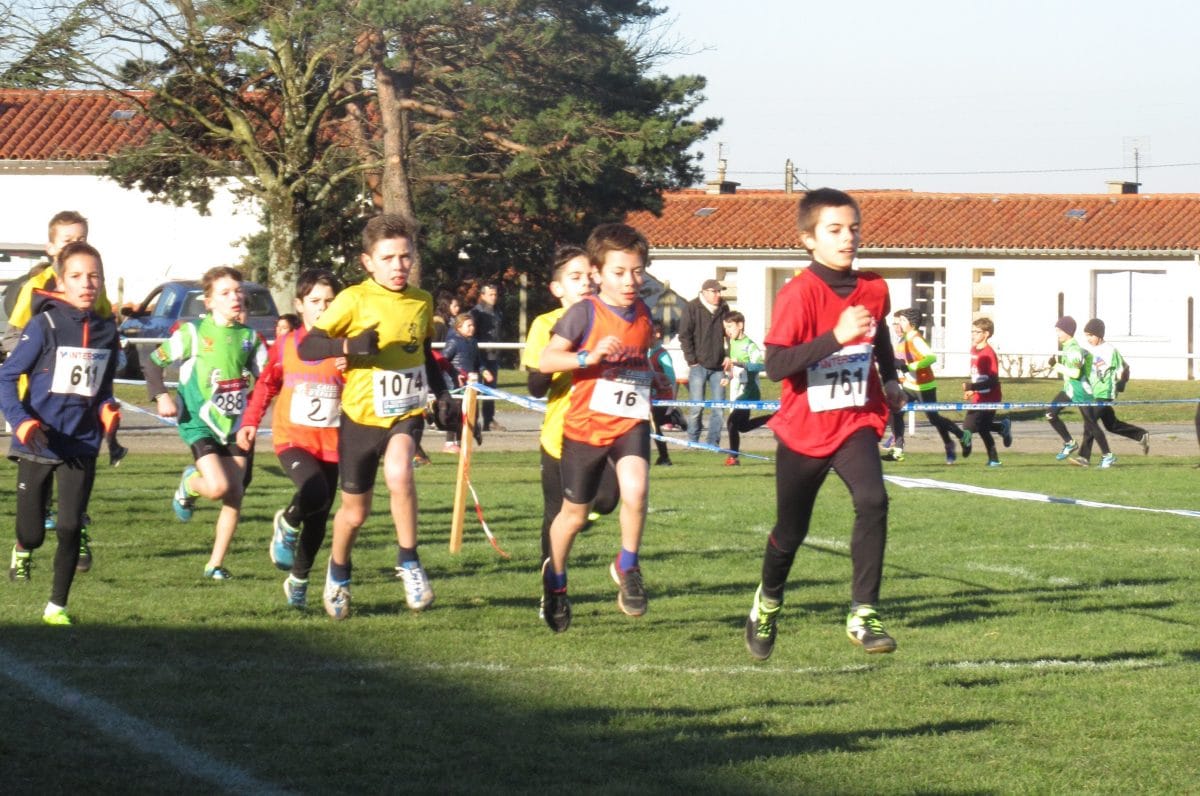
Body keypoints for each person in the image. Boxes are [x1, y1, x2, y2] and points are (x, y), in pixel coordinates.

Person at [743, 188, 904, 662]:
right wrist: (835, 336)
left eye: (853, 228)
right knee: (790, 531)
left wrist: (891, 379)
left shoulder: (874, 287)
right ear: (808, 239)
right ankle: (768, 601)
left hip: (856, 420)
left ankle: (863, 612)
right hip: (805, 430)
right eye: (834, 230)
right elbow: (776, 365)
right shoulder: (798, 294)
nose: (848, 238)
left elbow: (879, 341)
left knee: (874, 500)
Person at [297, 213, 451, 620]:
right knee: (355, 513)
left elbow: (424, 355)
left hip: (405, 411)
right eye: (388, 258)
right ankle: (338, 571)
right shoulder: (352, 299)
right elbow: (308, 347)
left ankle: (410, 561)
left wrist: (442, 393)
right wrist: (349, 345)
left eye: (405, 256)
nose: (398, 266)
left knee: (400, 473)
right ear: (368, 262)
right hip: (361, 417)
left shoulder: (421, 300)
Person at [537, 223, 655, 633]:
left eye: (638, 271)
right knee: (573, 514)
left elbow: (640, 354)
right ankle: (556, 581)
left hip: (629, 420)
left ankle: (628, 564)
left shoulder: (644, 312)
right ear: (598, 274)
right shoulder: (583, 312)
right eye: (620, 272)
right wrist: (588, 356)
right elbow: (548, 361)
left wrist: (650, 374)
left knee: (636, 489)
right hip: (585, 428)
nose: (630, 281)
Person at [1, 241, 120, 624]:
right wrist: (22, 420)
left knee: (70, 526)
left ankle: (57, 606)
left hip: (81, 444)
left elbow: (102, 389)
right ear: (61, 281)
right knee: (34, 533)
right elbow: (6, 376)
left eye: (94, 276)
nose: (87, 284)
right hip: (39, 441)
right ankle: (23, 547)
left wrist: (107, 413)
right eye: (77, 276)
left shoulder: (106, 331)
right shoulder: (44, 324)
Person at [145, 266, 266, 580]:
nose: (235, 297)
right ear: (209, 302)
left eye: (238, 291)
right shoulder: (193, 333)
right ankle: (189, 483)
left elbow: (267, 379)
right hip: (199, 421)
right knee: (217, 487)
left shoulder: (250, 338)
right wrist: (161, 396)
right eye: (225, 293)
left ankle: (215, 563)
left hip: (235, 423)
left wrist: (255, 402)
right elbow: (153, 361)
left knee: (235, 494)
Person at [238, 268, 345, 608]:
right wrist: (250, 421)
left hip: (332, 442)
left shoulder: (347, 345)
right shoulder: (287, 344)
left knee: (319, 516)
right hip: (292, 439)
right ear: (300, 305)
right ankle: (287, 521)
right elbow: (267, 384)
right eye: (315, 301)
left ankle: (298, 580)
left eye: (330, 301)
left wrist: (353, 369)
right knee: (312, 490)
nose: (323, 308)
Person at [521, 244, 619, 577]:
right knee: (553, 513)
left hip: (602, 430)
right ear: (557, 288)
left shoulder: (610, 317)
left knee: (607, 498)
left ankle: (579, 514)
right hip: (559, 435)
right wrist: (565, 357)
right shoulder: (545, 323)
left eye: (590, 276)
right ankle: (550, 583)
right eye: (575, 277)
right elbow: (535, 388)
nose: (585, 283)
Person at [883, 308, 968, 464]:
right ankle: (898, 450)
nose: (899, 324)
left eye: (901, 320)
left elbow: (931, 358)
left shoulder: (915, 338)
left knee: (934, 419)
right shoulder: (903, 340)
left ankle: (960, 436)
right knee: (896, 411)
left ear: (911, 323)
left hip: (924, 387)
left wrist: (910, 367)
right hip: (909, 386)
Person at [1076, 317, 1148, 467]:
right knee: (1111, 425)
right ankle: (1140, 435)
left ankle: (1084, 457)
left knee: (1090, 421)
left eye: (1091, 335)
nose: (1088, 339)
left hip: (1105, 393)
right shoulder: (1087, 351)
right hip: (1092, 393)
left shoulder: (1110, 350)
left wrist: (1121, 384)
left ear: (1099, 335)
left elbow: (1125, 368)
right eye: (1086, 335)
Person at [678, 278, 730, 448]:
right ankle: (693, 442)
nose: (718, 295)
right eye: (715, 291)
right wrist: (691, 361)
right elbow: (684, 335)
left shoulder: (724, 308)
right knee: (696, 407)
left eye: (719, 291)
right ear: (705, 292)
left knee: (718, 408)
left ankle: (713, 443)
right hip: (698, 366)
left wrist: (728, 355)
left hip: (719, 366)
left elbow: (729, 334)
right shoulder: (692, 308)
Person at [721, 311, 774, 466]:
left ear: (740, 325)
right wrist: (728, 377)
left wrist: (740, 363)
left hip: (749, 391)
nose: (728, 331)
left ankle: (733, 457)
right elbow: (732, 367)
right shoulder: (732, 343)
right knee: (742, 427)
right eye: (726, 327)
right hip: (738, 390)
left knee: (731, 423)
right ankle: (772, 418)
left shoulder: (750, 345)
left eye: (730, 326)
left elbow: (760, 365)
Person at [961, 317, 1013, 467]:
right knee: (983, 427)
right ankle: (995, 456)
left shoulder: (989, 353)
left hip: (991, 396)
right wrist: (973, 391)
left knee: (968, 426)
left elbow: (992, 380)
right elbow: (978, 375)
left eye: (977, 332)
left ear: (986, 334)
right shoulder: (973, 350)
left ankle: (966, 449)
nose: (973, 334)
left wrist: (972, 387)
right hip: (979, 396)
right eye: (972, 331)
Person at [441, 311, 492, 453]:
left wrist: (484, 371)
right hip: (454, 385)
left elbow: (478, 362)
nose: (472, 328)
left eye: (473, 325)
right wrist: (455, 374)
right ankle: (451, 442)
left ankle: (472, 431)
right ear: (459, 327)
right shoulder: (453, 342)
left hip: (470, 384)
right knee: (454, 413)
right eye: (468, 325)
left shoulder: (473, 342)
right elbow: (443, 360)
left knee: (471, 412)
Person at [1046, 316, 1086, 460]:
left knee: (1093, 425)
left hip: (1079, 392)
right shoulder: (1067, 347)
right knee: (1050, 413)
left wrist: (1055, 365)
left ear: (1068, 331)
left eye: (1059, 331)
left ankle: (1106, 455)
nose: (1057, 334)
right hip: (1069, 391)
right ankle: (1070, 443)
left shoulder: (1074, 350)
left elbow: (1075, 373)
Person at [470, 281, 504, 431]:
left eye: (495, 294)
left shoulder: (498, 311)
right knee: (475, 389)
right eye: (491, 294)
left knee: (490, 389)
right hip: (478, 356)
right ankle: (473, 420)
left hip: (493, 356)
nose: (494, 297)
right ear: (482, 295)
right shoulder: (476, 313)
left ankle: (488, 420)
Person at [648, 320, 681, 466]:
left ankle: (664, 456)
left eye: (659, 331)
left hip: (662, 396)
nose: (658, 334)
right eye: (654, 331)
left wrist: (672, 403)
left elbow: (672, 379)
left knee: (653, 424)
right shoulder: (645, 352)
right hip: (649, 396)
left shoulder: (662, 355)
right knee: (650, 425)